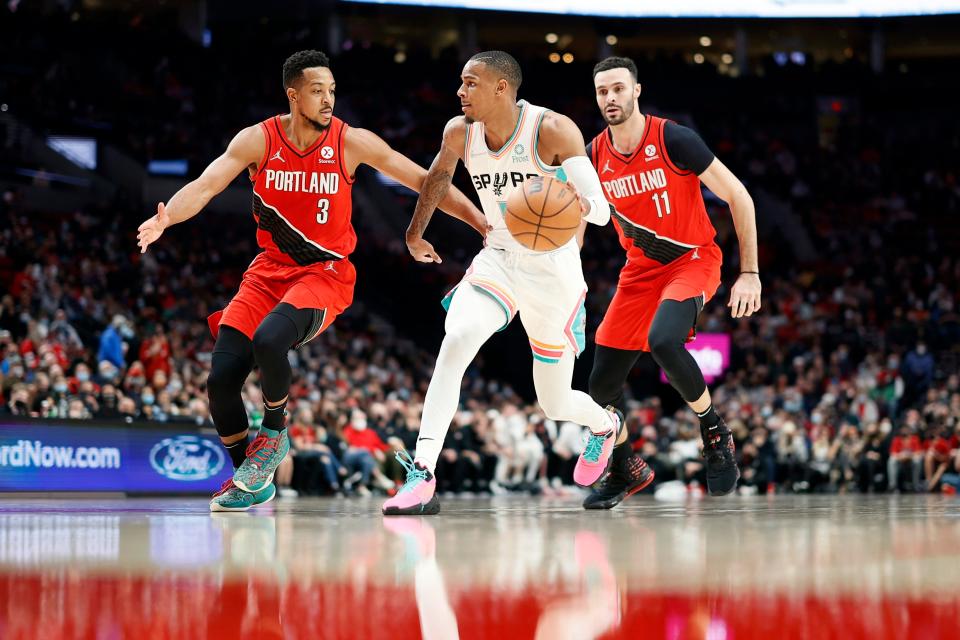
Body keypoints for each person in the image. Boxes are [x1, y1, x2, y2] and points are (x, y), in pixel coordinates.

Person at [137, 50, 485, 512]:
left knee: (269, 339)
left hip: (325, 272)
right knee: (220, 380)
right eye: (318, 91)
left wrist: (480, 222)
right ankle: (251, 475)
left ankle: (275, 431)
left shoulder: (350, 142)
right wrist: (166, 220)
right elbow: (205, 185)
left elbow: (426, 179)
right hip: (267, 272)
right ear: (293, 94)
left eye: (333, 90)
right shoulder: (257, 140)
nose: (328, 100)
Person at [383, 51, 620, 516]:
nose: (460, 91)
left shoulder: (552, 129)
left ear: (501, 88)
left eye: (470, 83)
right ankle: (422, 472)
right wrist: (414, 232)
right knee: (459, 338)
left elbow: (603, 209)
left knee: (553, 403)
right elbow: (437, 179)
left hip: (553, 269)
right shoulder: (459, 131)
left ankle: (605, 424)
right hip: (499, 257)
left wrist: (575, 203)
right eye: (460, 82)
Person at [583, 56, 761, 507]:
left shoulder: (673, 138)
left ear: (637, 91)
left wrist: (750, 273)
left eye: (619, 89)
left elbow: (739, 195)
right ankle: (626, 467)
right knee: (598, 392)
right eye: (603, 91)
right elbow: (575, 226)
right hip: (639, 271)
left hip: (692, 259)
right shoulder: (592, 155)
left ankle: (714, 430)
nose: (611, 98)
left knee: (664, 340)